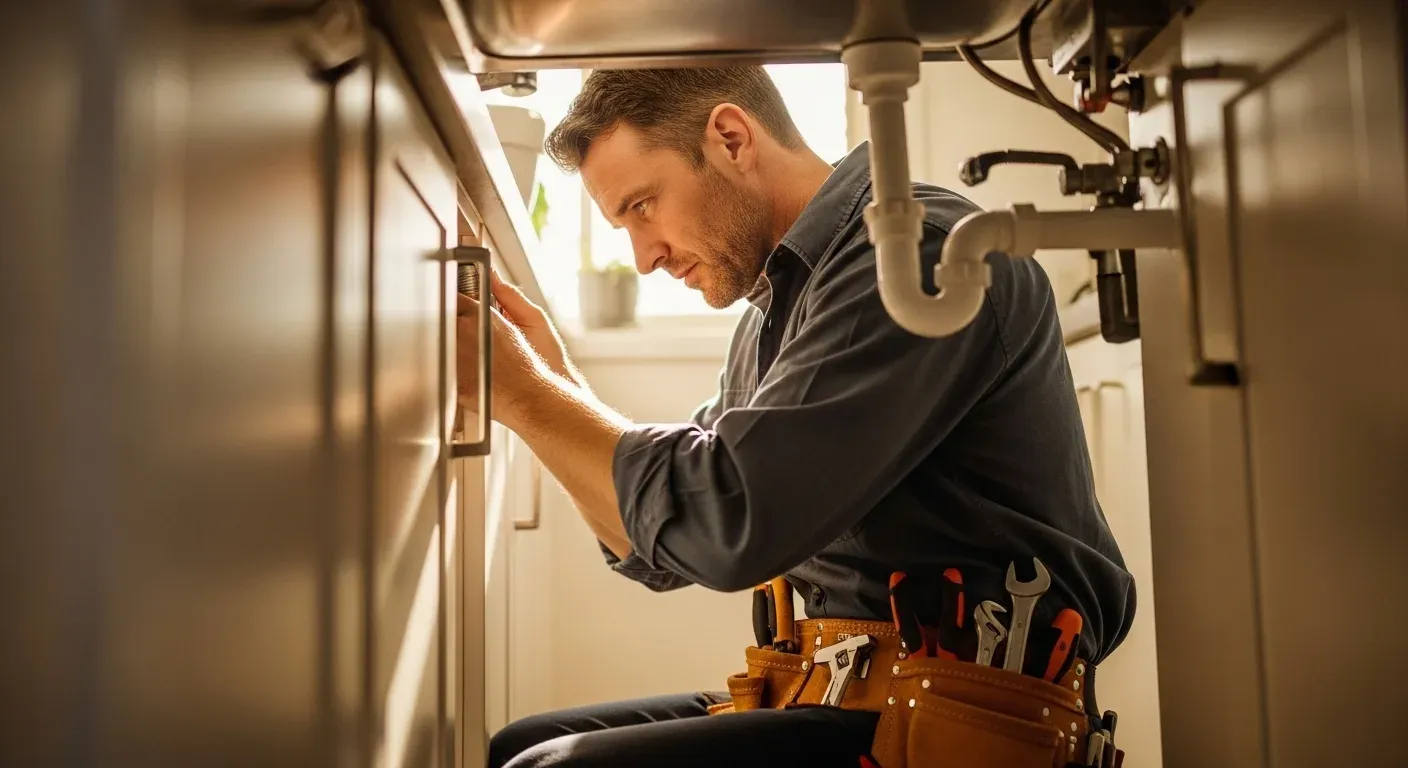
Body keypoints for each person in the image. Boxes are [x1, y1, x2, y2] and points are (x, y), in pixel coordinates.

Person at [460, 66, 1134, 768]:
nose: (645, 255)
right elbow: (663, 547)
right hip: (836, 692)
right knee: (523, 744)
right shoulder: (777, 309)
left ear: (730, 138)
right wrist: (551, 383)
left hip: (964, 719)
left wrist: (526, 394)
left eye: (643, 205)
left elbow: (731, 521)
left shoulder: (912, 258)